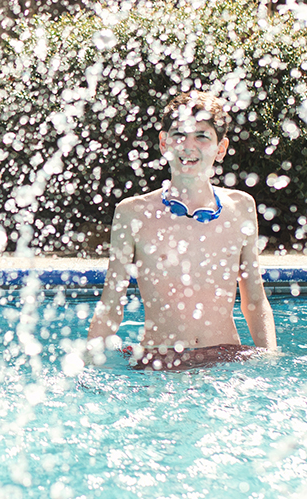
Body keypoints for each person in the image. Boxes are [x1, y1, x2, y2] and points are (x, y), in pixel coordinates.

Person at [82, 89, 276, 369]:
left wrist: (269, 359)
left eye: (202, 136)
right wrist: (88, 365)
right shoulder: (133, 213)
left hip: (227, 360)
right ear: (164, 143)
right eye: (179, 135)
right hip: (158, 361)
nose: (188, 146)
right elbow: (112, 303)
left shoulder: (241, 208)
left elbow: (255, 301)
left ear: (220, 148)